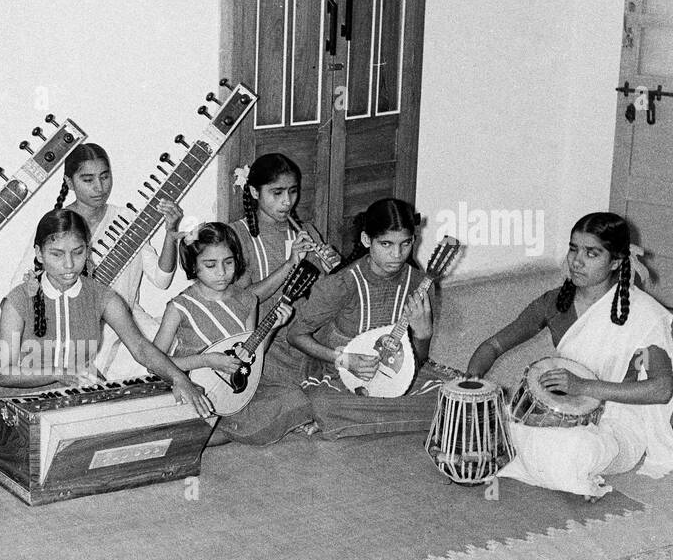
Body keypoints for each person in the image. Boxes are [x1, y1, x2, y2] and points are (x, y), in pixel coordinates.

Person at [466, 212, 673, 497]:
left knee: (573, 449)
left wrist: (583, 387)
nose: (577, 261)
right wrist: (471, 382)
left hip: (616, 426)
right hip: (556, 412)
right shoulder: (555, 302)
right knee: (483, 426)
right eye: (573, 249)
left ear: (615, 261)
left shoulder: (644, 313)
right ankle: (540, 458)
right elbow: (494, 345)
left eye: (591, 253)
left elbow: (662, 389)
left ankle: (547, 461)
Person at [0, 210, 213, 454]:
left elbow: (141, 347)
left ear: (87, 250)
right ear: (39, 253)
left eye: (78, 252)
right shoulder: (17, 301)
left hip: (77, 392)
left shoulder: (103, 296)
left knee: (149, 435)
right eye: (57, 254)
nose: (69, 265)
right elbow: (4, 374)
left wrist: (180, 378)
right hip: (18, 402)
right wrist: (61, 373)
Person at [7, 142, 182, 376]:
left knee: (168, 357)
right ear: (70, 183)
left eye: (105, 177)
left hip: (126, 323)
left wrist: (170, 233)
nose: (99, 187)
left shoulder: (127, 219)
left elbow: (162, 280)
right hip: (74, 329)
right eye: (88, 180)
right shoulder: (57, 224)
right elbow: (19, 288)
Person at [287, 197, 450, 437]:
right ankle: (392, 417)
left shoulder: (420, 285)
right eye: (386, 244)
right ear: (366, 240)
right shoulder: (342, 284)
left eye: (405, 244)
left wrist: (424, 335)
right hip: (341, 373)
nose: (397, 255)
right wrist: (343, 359)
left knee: (449, 397)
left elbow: (416, 359)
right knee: (323, 404)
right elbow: (295, 334)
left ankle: (353, 421)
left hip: (394, 374)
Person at [153, 222, 313, 445]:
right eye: (210, 265)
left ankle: (216, 430)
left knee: (295, 398)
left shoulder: (248, 299)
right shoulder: (179, 307)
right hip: (193, 387)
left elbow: (251, 352)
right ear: (193, 265)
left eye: (228, 263)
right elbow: (154, 363)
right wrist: (205, 360)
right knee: (172, 414)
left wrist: (273, 327)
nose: (221, 272)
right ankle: (219, 430)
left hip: (232, 390)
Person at [229, 151, 327, 383]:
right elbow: (243, 298)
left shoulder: (307, 231)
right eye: (277, 193)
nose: (287, 201)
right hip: (265, 341)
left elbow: (325, 296)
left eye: (293, 191)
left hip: (305, 335)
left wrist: (331, 269)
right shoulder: (237, 234)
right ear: (255, 192)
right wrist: (290, 263)